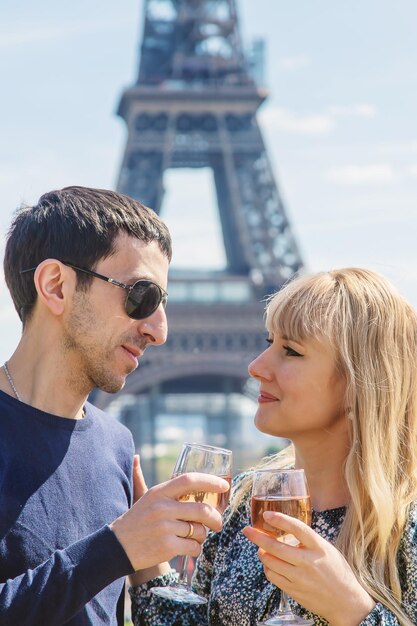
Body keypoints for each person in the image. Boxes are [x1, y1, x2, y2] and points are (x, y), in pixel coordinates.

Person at [129, 267, 417, 626]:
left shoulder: (409, 526)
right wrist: (145, 553)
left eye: (291, 351)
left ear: (359, 384)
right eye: (270, 343)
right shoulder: (240, 500)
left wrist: (354, 612)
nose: (256, 367)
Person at [0, 186, 229, 625]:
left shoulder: (116, 445)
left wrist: (151, 566)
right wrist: (117, 547)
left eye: (163, 303)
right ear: (56, 286)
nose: (159, 330)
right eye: (142, 296)